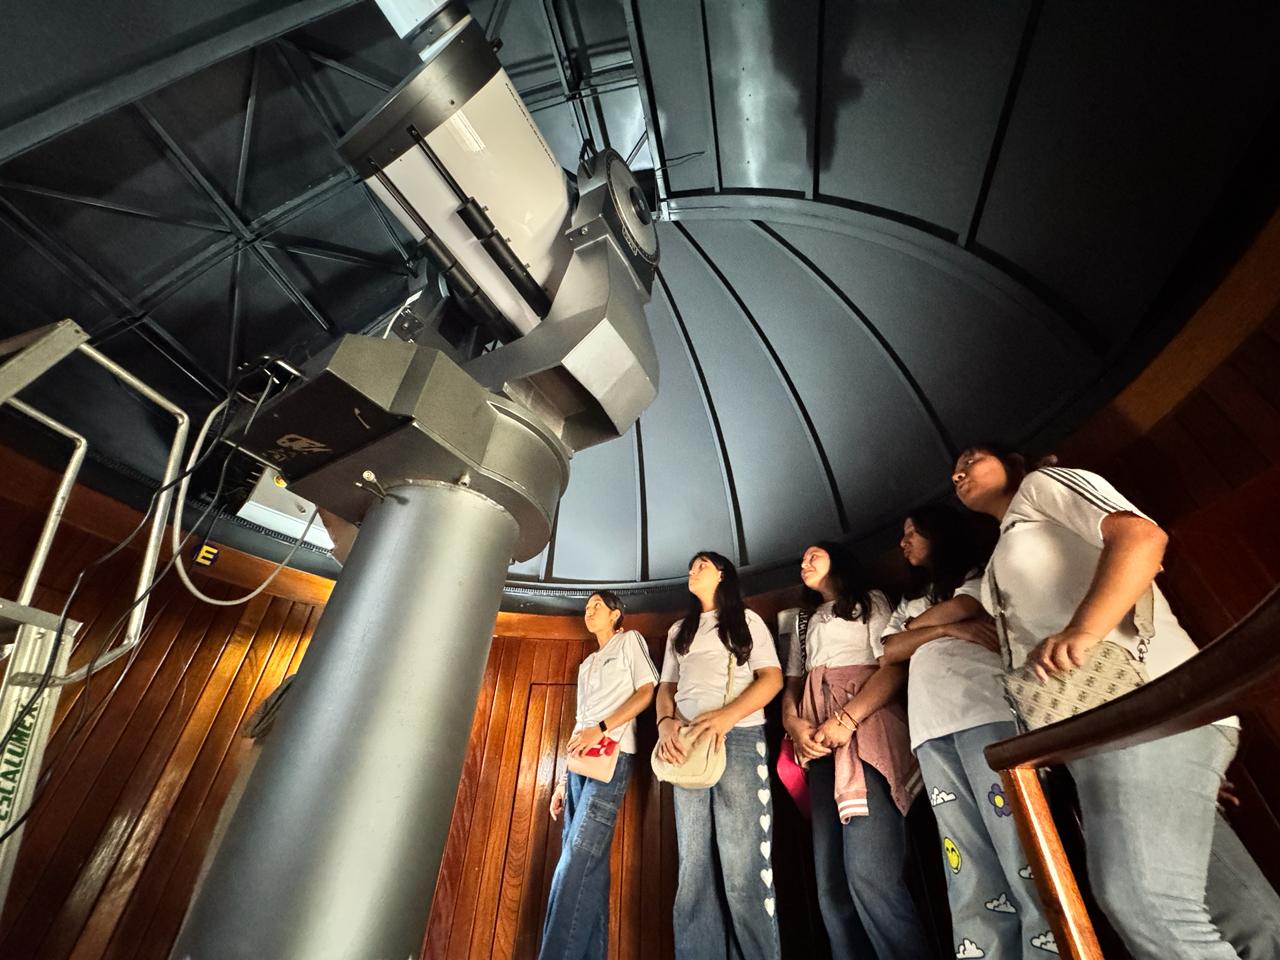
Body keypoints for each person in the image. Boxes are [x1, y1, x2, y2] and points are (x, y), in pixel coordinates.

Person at [951, 446, 1245, 959]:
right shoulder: (1000, 553)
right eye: (954, 473)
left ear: (1013, 461)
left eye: (971, 459)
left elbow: (1141, 536)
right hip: (1103, 733)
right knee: (1243, 916)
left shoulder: (1043, 485)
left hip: (1141, 707)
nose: (958, 474)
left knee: (1145, 904)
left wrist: (1084, 630)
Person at [879, 505, 1052, 959]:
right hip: (929, 729)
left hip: (986, 712)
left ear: (940, 532)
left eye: (914, 531)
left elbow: (966, 607)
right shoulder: (910, 602)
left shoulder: (977, 575)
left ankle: (1049, 946)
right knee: (963, 855)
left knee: (1017, 842)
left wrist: (931, 628)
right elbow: (889, 651)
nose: (904, 541)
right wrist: (951, 630)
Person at [779, 541, 932, 959]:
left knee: (869, 874)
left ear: (839, 560)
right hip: (817, 743)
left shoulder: (870, 601)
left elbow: (892, 666)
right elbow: (792, 684)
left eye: (813, 555)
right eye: (801, 558)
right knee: (831, 886)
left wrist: (845, 720)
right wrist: (794, 724)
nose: (804, 562)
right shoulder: (804, 620)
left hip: (864, 734)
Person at [655, 551, 784, 960]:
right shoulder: (680, 630)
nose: (692, 571)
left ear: (723, 574)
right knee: (693, 868)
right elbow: (666, 688)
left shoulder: (746, 621)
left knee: (743, 869)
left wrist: (727, 717)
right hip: (686, 744)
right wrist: (665, 724)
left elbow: (772, 678)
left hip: (739, 738)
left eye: (702, 566)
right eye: (690, 567)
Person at [540, 591, 658, 960]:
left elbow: (646, 692)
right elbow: (580, 724)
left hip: (613, 755)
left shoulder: (629, 641)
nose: (589, 611)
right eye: (587, 606)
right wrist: (562, 782)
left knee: (576, 861)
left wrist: (603, 728)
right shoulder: (587, 664)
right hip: (579, 764)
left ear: (616, 614)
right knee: (588, 866)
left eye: (597, 606)